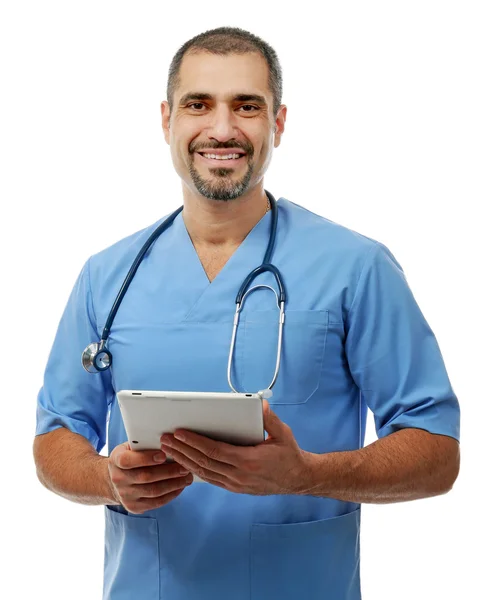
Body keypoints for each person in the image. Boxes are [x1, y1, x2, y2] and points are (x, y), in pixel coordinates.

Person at [33, 26, 460, 600]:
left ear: (278, 123)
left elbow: (436, 451)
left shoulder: (356, 268)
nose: (222, 128)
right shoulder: (108, 276)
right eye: (198, 104)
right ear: (167, 120)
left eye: (247, 106)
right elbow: (56, 436)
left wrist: (309, 475)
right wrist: (108, 479)